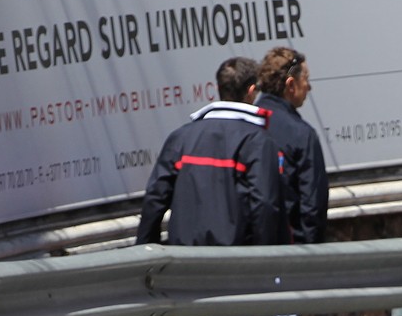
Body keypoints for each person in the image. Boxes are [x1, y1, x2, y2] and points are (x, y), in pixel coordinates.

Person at [136, 56, 284, 246]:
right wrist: (264, 259)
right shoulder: (258, 141)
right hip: (236, 261)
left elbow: (155, 199)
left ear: (218, 89)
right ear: (251, 91)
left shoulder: (181, 138)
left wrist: (146, 253)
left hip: (185, 261)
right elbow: (264, 205)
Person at [254, 45, 329, 244]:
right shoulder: (301, 135)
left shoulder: (242, 124)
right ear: (290, 85)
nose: (309, 87)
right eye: (306, 79)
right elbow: (312, 206)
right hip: (289, 250)